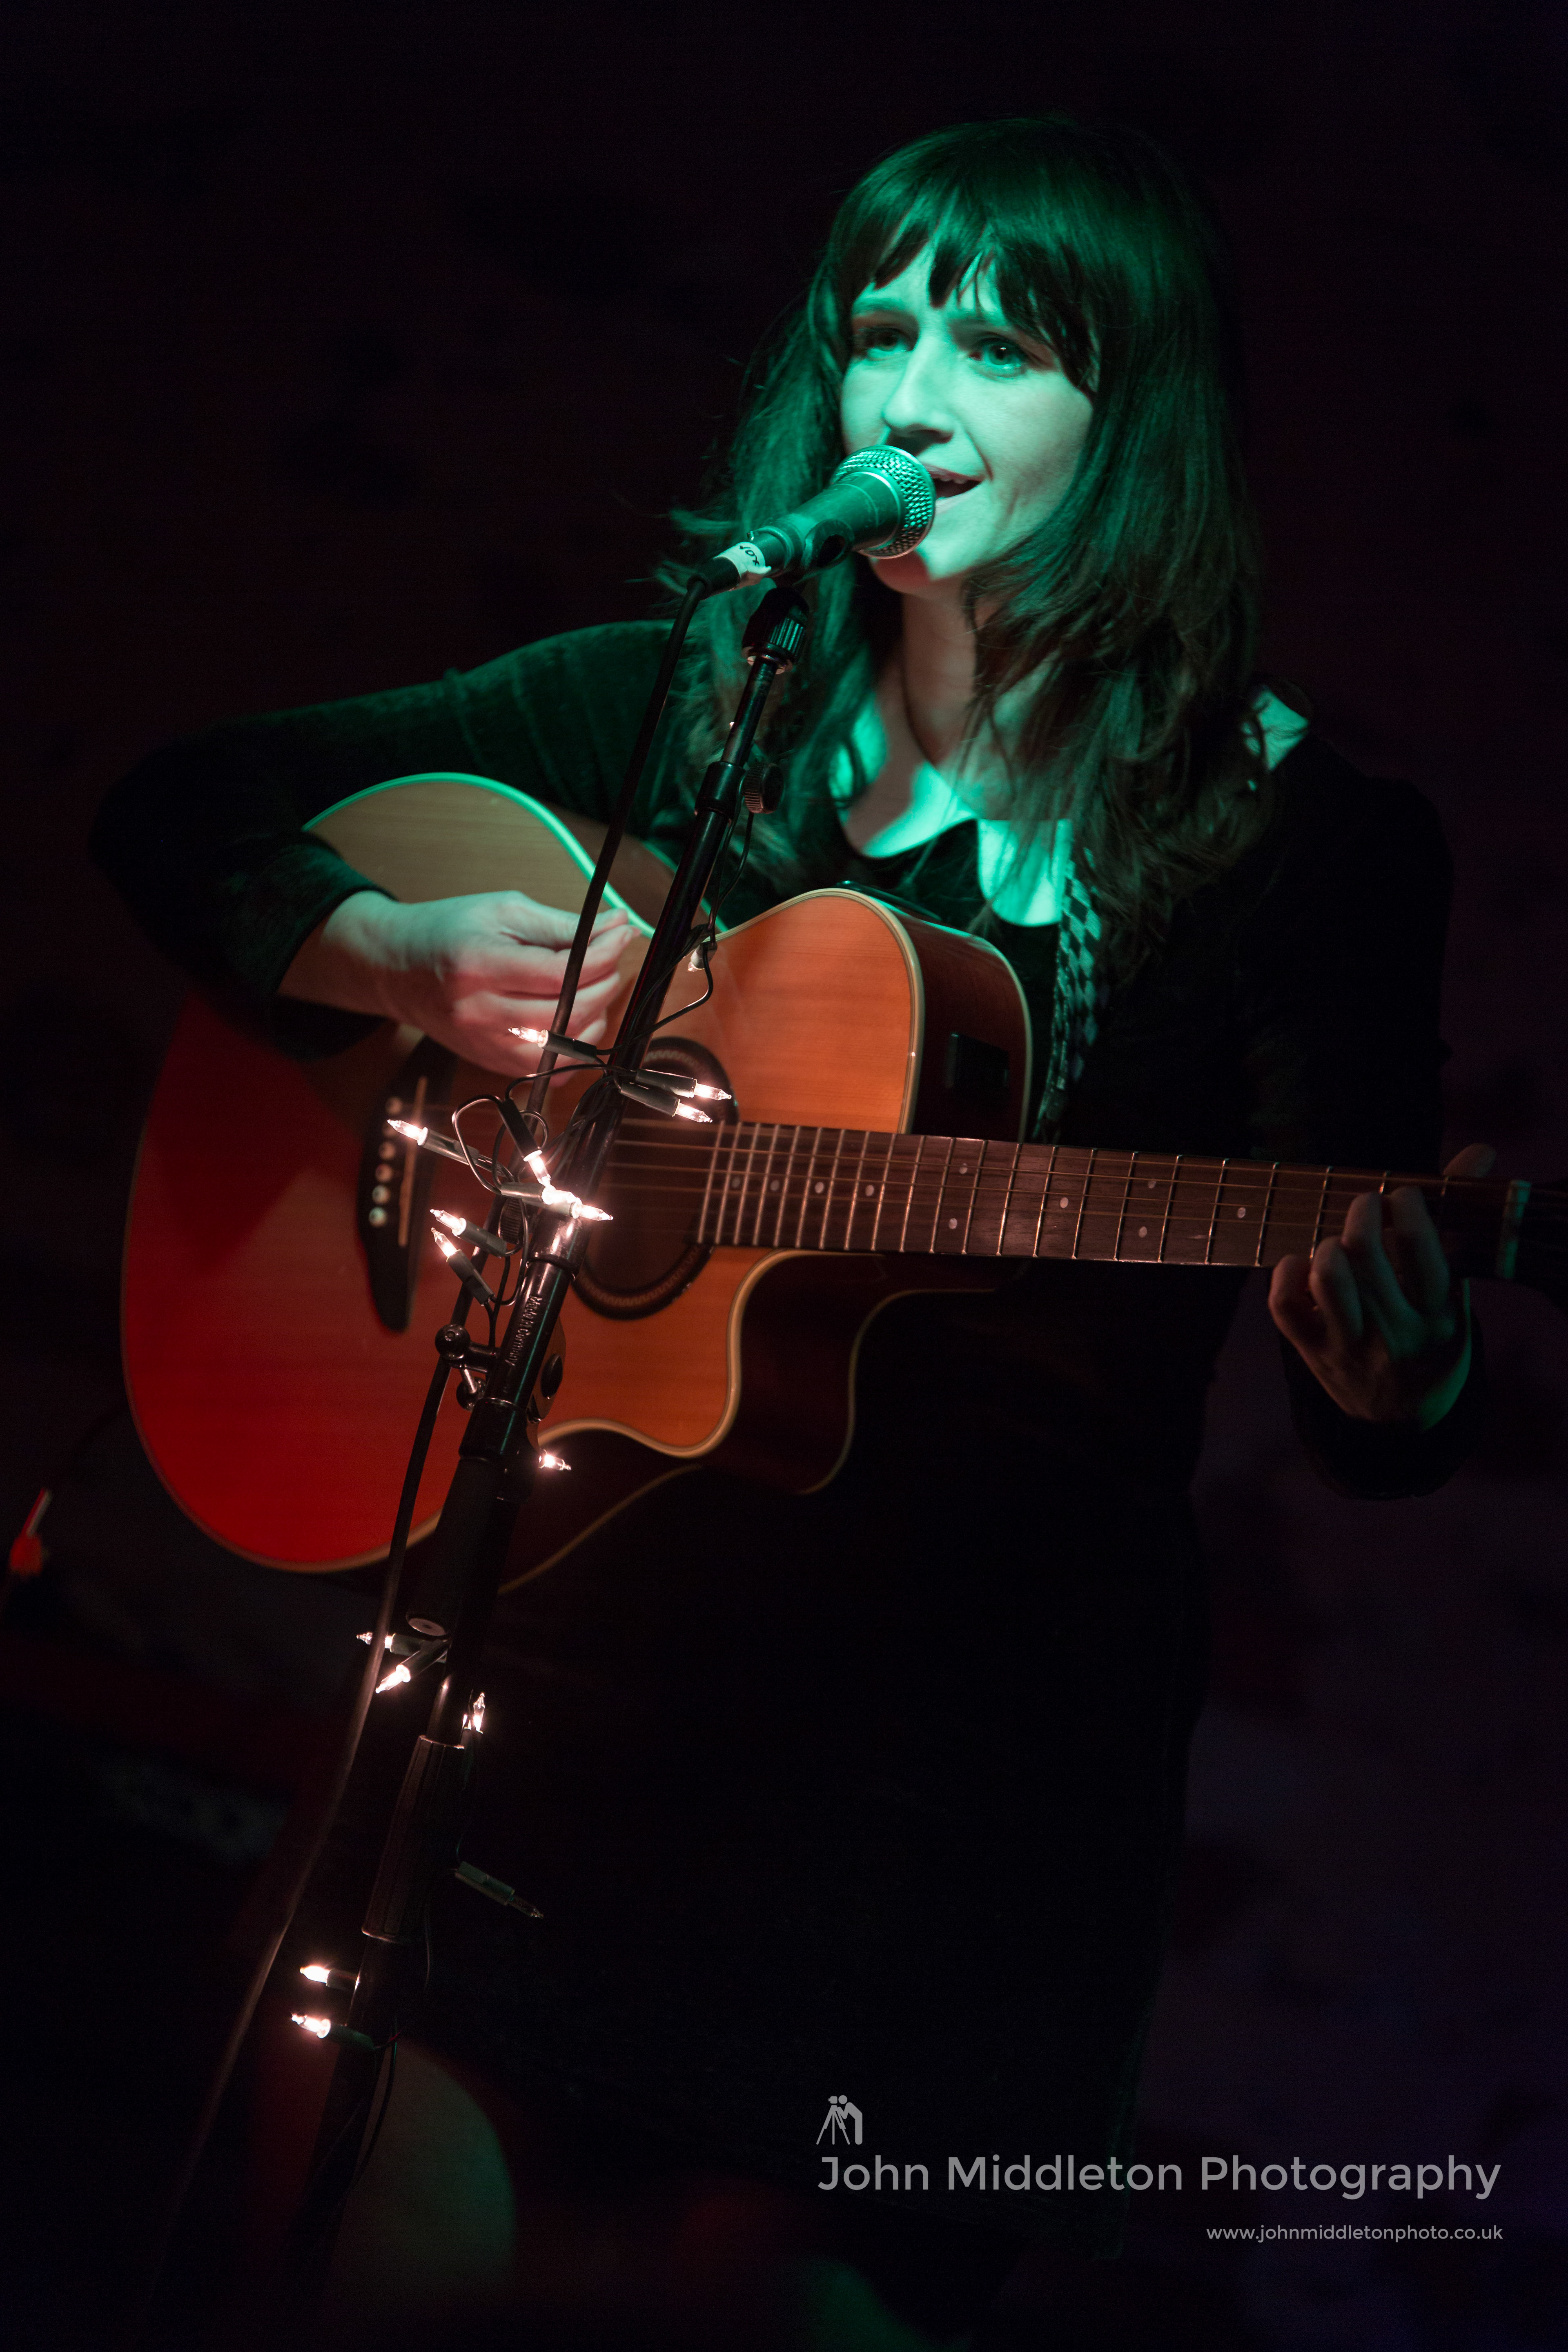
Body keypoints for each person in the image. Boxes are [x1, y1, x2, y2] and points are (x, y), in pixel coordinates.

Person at [94, 115, 1489, 2348]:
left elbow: (1376, 1366)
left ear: (1135, 418)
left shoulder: (1306, 847)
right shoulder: (700, 706)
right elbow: (182, 810)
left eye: (1000, 351)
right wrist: (400, 954)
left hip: (959, 1792)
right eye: (879, 329)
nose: (909, 399)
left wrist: (1401, 1378)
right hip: (565, 1688)